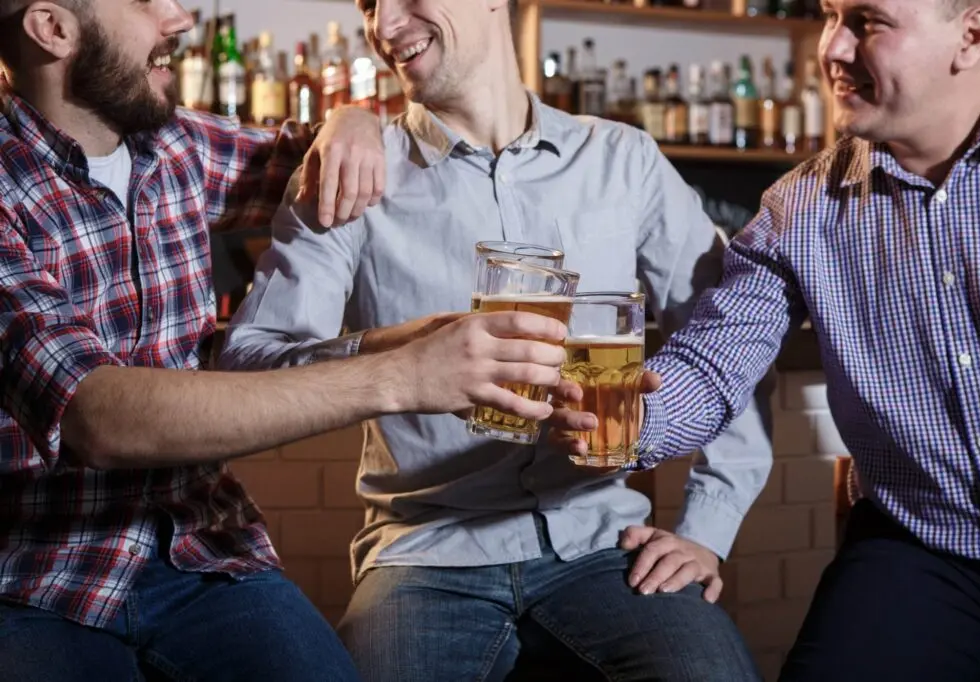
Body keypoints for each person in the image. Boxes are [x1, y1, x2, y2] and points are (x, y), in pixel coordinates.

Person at [0, 0, 571, 680]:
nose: (180, 18)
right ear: (53, 28)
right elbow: (98, 415)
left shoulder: (177, 147)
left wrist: (350, 120)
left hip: (202, 552)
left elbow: (335, 160)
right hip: (35, 573)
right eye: (148, 0)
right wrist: (403, 375)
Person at [220, 0, 775, 679]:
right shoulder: (354, 166)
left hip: (602, 541)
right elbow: (248, 366)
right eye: (368, 4)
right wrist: (400, 354)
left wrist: (704, 532)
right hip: (423, 553)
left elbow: (735, 339)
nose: (383, 24)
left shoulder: (622, 161)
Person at [549, 0, 980, 680]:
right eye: (830, 16)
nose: (831, 48)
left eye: (867, 22)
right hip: (923, 549)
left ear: (970, 35)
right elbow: (712, 367)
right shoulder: (799, 210)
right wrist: (619, 417)